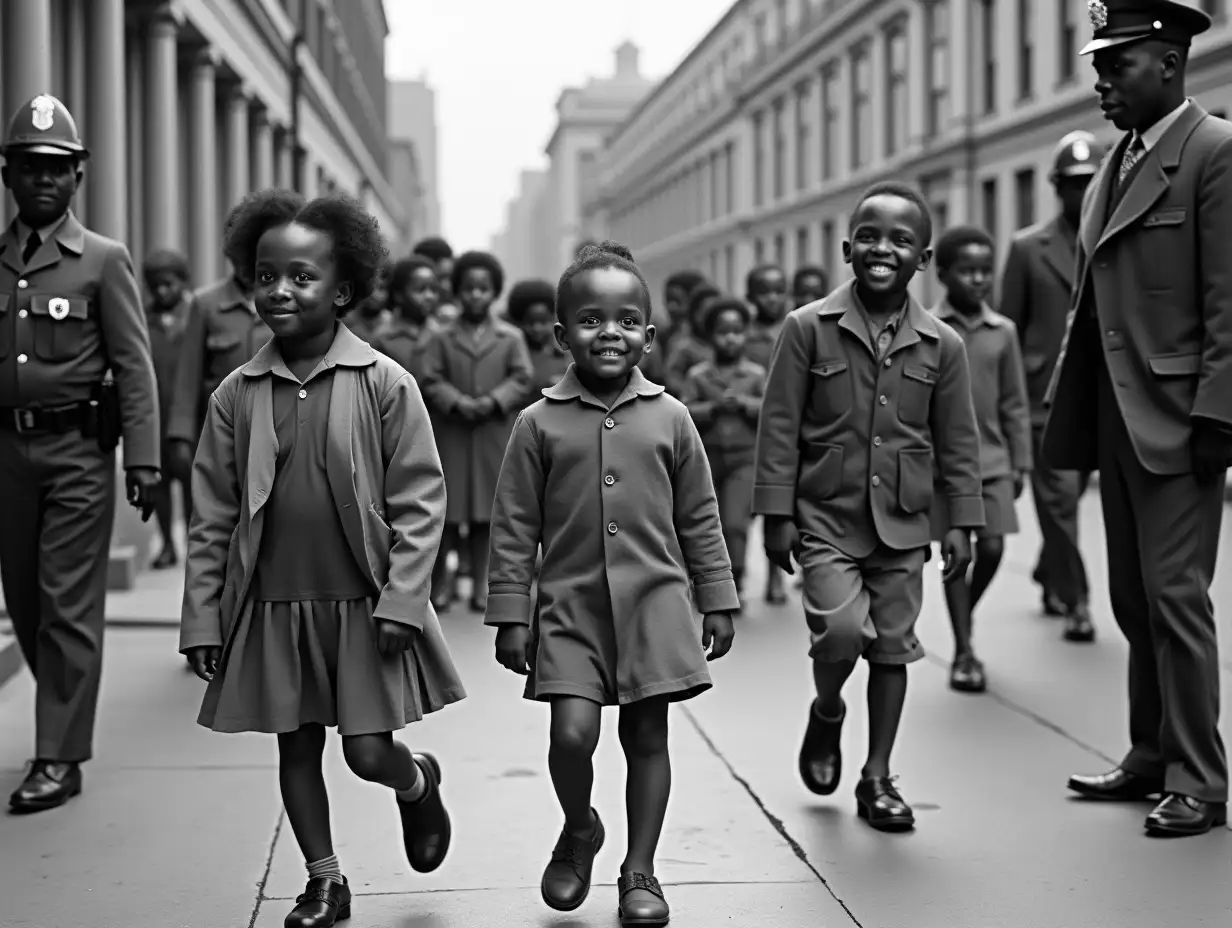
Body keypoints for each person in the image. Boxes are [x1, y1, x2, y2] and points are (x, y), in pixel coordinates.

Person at [180, 190, 466, 927]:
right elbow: (211, 516)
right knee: (297, 747)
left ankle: (415, 785)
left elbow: (420, 500)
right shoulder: (235, 394)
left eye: (302, 276)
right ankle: (325, 881)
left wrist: (404, 598)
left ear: (342, 289)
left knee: (368, 752)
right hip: (273, 603)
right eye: (267, 274)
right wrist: (203, 619)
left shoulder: (384, 384)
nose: (281, 289)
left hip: (362, 605)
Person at [485, 241, 737, 927]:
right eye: (592, 320)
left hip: (654, 604)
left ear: (649, 336)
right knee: (571, 735)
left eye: (627, 320)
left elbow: (700, 517)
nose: (611, 333)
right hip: (569, 607)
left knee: (648, 737)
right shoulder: (536, 424)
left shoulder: (673, 418)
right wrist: (513, 612)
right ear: (562, 335)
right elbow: (512, 527)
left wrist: (717, 596)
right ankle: (580, 827)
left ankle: (640, 869)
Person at [1044, 0, 1230, 837]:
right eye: (1098, 68)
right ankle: (1151, 752)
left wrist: (1218, 417)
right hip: (1118, 416)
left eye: (1116, 67)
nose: (1101, 84)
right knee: (1133, 599)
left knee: (1177, 600)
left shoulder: (1214, 153)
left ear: (1169, 59)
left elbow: (1230, 301)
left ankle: (1200, 775)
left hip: (1183, 419)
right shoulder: (1120, 161)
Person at [753, 181, 983, 832]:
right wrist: (776, 516)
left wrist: (963, 521)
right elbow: (779, 427)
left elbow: (958, 440)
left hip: (905, 523)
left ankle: (878, 776)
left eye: (903, 240)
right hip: (826, 515)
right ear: (849, 248)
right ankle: (828, 710)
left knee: (893, 650)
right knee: (842, 633)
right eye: (873, 236)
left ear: (924, 259)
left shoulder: (944, 345)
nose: (886, 248)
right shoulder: (806, 329)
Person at [0, 94, 161, 814]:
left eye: (56, 168)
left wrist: (147, 461)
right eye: (30, 167)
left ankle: (59, 754)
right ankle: (59, 716)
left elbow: (135, 365)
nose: (43, 179)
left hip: (76, 455)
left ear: (78, 177)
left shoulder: (102, 261)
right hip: (7, 453)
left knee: (66, 604)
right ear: (8, 174)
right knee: (27, 601)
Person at [999, 131, 1105, 642]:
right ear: (1056, 186)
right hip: (1043, 398)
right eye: (1072, 183)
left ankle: (1049, 570)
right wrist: (1008, 408)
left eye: (1090, 182)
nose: (1081, 193)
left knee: (1066, 497)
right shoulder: (1026, 248)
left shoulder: (1114, 239)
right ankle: (1079, 600)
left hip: (1100, 398)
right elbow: (1007, 333)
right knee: (1060, 502)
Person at [930, 227, 1032, 694]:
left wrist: (1021, 461)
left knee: (992, 547)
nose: (978, 280)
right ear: (943, 273)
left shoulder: (1003, 331)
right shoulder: (929, 330)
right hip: (944, 466)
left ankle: (962, 614)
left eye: (985, 271)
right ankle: (965, 650)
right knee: (958, 552)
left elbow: (1015, 401)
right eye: (967, 271)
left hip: (993, 460)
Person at [419, 251, 533, 613]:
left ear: (495, 292)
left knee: (487, 517)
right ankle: (440, 586)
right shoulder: (440, 337)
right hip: (451, 434)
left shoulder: (511, 337)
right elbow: (429, 378)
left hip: (492, 435)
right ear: (456, 292)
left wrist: (494, 401)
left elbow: (522, 377)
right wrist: (456, 402)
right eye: (468, 288)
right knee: (447, 517)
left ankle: (485, 588)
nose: (476, 295)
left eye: (483, 288)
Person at [166, 202, 272, 520]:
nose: (245, 264)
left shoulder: (286, 299)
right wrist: (180, 436)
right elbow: (188, 377)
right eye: (237, 254)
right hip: (222, 438)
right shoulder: (205, 304)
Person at [678, 298, 765, 608]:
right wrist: (713, 408)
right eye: (723, 331)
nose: (730, 337)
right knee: (705, 523)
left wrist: (745, 404)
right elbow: (684, 411)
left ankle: (736, 579)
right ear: (710, 335)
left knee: (735, 522)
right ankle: (706, 581)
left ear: (746, 333)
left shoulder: (755, 374)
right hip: (707, 460)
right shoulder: (698, 375)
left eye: (737, 331)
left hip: (744, 459)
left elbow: (770, 410)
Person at [143, 247, 195, 569]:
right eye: (156, 285)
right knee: (158, 489)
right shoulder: (141, 320)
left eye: (169, 284)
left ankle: (194, 547)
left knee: (194, 490)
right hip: (155, 420)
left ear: (183, 282)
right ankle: (166, 544)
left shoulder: (196, 316)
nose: (163, 291)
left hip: (191, 423)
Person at [743, 263, 792, 604]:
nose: (773, 298)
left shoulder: (797, 328)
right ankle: (739, 570)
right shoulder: (743, 336)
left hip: (790, 429)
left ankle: (777, 574)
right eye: (765, 291)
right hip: (751, 432)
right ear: (750, 296)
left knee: (782, 505)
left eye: (779, 290)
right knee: (748, 508)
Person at [372, 254, 439, 382]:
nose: (429, 296)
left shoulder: (442, 333)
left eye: (434, 289)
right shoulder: (384, 339)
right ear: (399, 295)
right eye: (420, 290)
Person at [506, 278, 569, 404]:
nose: (537, 328)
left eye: (543, 322)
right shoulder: (512, 355)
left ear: (553, 318)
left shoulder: (567, 352)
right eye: (530, 323)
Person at [664, 283, 719, 395]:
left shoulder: (725, 342)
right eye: (705, 313)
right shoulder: (683, 345)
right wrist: (690, 390)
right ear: (694, 313)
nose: (709, 319)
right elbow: (671, 377)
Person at [343, 257, 393, 344]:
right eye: (372, 286)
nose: (375, 294)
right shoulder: (343, 321)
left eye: (382, 288)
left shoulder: (389, 326)